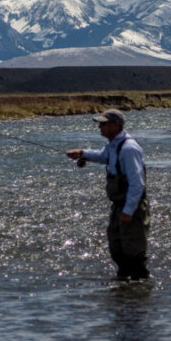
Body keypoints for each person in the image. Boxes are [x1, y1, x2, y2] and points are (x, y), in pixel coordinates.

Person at [67, 109, 151, 280]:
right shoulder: (113, 145)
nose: (100, 127)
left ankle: (140, 291)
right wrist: (82, 153)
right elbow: (103, 156)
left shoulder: (129, 149)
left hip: (131, 208)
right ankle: (124, 290)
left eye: (103, 124)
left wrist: (128, 211)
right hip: (119, 207)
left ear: (116, 125)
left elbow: (137, 184)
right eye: (100, 124)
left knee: (134, 252)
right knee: (117, 248)